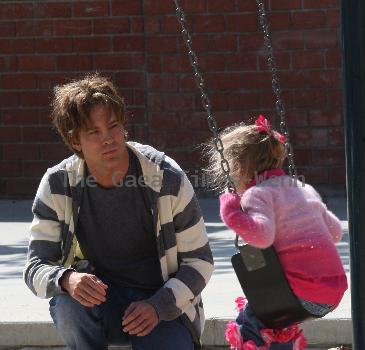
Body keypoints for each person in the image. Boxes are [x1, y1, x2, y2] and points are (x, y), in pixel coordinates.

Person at [23, 73, 214, 350]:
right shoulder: (58, 183)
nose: (109, 139)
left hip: (160, 303)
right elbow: (34, 267)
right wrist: (67, 278)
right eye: (94, 132)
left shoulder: (165, 176)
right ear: (75, 141)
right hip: (102, 303)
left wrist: (157, 306)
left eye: (113, 126)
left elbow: (200, 263)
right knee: (68, 304)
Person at [204, 115, 348, 350]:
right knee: (272, 320)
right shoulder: (303, 188)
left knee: (249, 321)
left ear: (239, 168)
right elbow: (335, 232)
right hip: (332, 294)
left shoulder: (258, 194)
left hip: (301, 294)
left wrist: (230, 209)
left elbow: (262, 236)